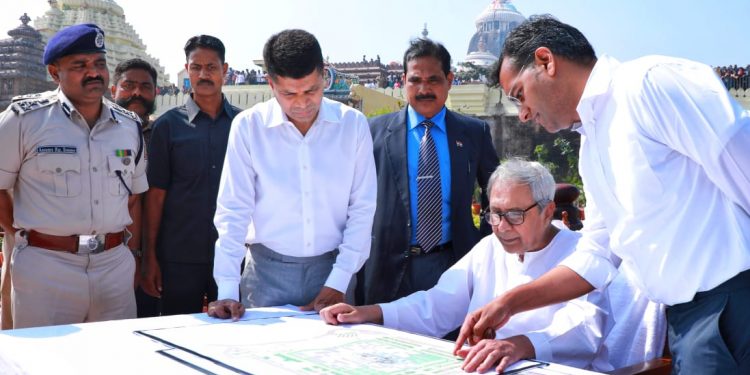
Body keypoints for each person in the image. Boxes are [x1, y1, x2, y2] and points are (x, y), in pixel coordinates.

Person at [457, 15, 750, 373]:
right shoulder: (592, 146)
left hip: (730, 305)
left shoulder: (647, 85)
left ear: (546, 61)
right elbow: (595, 257)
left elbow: (741, 159)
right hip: (687, 320)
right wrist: (511, 302)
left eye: (520, 95)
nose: (522, 114)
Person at [322, 159, 611, 373]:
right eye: (495, 214)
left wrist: (520, 345)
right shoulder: (489, 249)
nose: (501, 227)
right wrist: (368, 312)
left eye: (513, 214)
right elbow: (436, 305)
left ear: (548, 211)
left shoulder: (582, 254)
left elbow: (584, 331)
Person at [207, 29, 376, 320]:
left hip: (335, 269)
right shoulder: (248, 127)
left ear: (324, 75)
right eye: (289, 94)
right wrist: (226, 290)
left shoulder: (353, 125)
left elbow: (362, 208)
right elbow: (233, 211)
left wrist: (338, 281)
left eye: (311, 90)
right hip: (265, 274)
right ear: (271, 84)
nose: (301, 103)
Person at [0, 23, 146, 328]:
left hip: (113, 265)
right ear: (55, 73)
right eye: (80, 65)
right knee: (44, 364)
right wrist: (23, 233)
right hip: (47, 267)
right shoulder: (24, 120)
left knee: (116, 360)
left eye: (99, 64)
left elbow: (133, 194)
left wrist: (130, 255)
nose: (93, 73)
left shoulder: (129, 125)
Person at [358, 38, 497, 307]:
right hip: (386, 267)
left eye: (433, 80)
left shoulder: (474, 133)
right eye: (415, 80)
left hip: (454, 264)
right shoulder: (371, 132)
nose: (424, 89)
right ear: (403, 81)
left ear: (449, 80)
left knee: (452, 345)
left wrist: (484, 245)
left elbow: (496, 197)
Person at [141, 35, 240, 315]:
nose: (203, 74)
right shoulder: (168, 127)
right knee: (180, 332)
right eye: (196, 67)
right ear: (187, 70)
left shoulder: (243, 126)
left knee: (235, 333)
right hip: (179, 257)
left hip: (232, 256)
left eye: (211, 67)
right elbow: (156, 196)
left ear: (226, 70)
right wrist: (150, 257)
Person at [111, 58, 160, 318]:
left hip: (155, 254)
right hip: (104, 255)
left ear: (156, 93)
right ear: (113, 90)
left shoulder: (163, 135)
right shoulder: (96, 134)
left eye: (145, 87)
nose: (137, 93)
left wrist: (144, 256)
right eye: (128, 86)